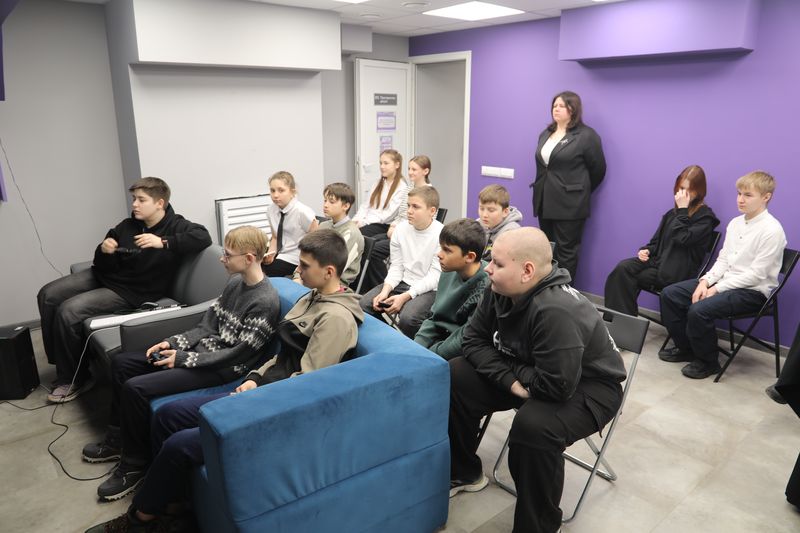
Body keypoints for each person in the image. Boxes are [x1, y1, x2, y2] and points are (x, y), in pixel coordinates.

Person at [84, 229, 364, 533]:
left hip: (276, 406)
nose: (298, 268)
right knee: (167, 415)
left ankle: (142, 517)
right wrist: (255, 379)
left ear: (329, 271)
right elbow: (283, 357)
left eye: (305, 265)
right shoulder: (312, 297)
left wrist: (252, 396)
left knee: (178, 445)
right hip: (262, 389)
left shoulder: (335, 319)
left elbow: (304, 386)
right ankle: (171, 502)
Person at [83, 226, 281, 501]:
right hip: (201, 355)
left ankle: (134, 465)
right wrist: (173, 343)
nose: (222, 258)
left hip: (220, 370)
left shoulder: (265, 302)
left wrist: (184, 359)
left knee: (136, 388)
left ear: (248, 258)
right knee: (122, 363)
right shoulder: (235, 283)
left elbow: (237, 355)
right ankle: (118, 439)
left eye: (227, 255)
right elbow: (206, 325)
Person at [448, 227, 625, 533]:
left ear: (527, 271)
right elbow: (473, 341)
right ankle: (465, 472)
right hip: (533, 370)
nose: (488, 269)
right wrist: (511, 381)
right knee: (456, 373)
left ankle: (540, 526)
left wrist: (510, 370)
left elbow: (555, 387)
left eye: (498, 264)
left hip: (589, 386)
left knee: (534, 427)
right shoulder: (498, 289)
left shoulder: (556, 310)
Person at [36, 177, 212, 404]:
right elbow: (101, 263)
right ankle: (63, 363)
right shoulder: (128, 225)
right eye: (134, 199)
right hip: (105, 275)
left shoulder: (177, 225)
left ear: (160, 203)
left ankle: (73, 379)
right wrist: (104, 250)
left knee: (69, 311)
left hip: (133, 290)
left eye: (141, 200)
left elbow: (203, 236)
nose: (134, 204)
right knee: (48, 295)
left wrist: (163, 242)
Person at [659, 171, 786, 379]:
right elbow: (724, 260)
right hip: (725, 282)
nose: (740, 199)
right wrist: (705, 282)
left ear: (766, 197)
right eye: (739, 193)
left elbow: (756, 275)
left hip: (752, 292)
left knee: (699, 309)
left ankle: (708, 362)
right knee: (670, 294)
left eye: (748, 195)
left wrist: (716, 289)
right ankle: (687, 348)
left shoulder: (772, 230)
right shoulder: (735, 223)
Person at [604, 165, 720, 316]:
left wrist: (682, 210)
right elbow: (655, 242)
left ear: (699, 191)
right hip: (658, 263)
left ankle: (624, 321)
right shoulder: (672, 214)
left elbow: (682, 238)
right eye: (681, 188)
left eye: (689, 189)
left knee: (628, 277)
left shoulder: (705, 218)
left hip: (676, 271)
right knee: (622, 268)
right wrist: (646, 250)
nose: (683, 194)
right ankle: (618, 321)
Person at [532, 90, 606, 282]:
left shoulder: (586, 135)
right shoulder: (546, 133)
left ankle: (564, 291)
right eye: (554, 105)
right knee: (546, 249)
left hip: (570, 204)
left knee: (566, 252)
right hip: (544, 200)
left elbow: (598, 170)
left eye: (562, 106)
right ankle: (546, 288)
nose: (556, 109)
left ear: (573, 109)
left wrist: (578, 190)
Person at [360, 186, 443, 338]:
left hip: (430, 289)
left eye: (415, 207)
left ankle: (414, 346)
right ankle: (390, 339)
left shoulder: (441, 235)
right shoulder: (400, 230)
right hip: (403, 282)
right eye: (408, 205)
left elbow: (434, 277)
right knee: (365, 305)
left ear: (432, 211)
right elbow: (396, 267)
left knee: (408, 318)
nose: (409, 211)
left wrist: (406, 296)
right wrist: (385, 291)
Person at [414, 218, 488, 360]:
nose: (439, 254)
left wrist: (429, 355)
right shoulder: (449, 271)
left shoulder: (486, 287)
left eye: (447, 250)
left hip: (464, 350)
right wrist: (416, 348)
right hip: (442, 341)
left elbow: (465, 337)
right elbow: (434, 317)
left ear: (469, 257)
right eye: (441, 248)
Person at [352, 149, 408, 292]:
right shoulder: (378, 183)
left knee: (360, 240)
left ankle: (369, 286)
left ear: (397, 165)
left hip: (383, 225)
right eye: (380, 163)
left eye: (386, 163)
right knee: (353, 238)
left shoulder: (402, 187)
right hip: (369, 222)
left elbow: (387, 215)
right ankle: (359, 285)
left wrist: (363, 223)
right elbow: (366, 205)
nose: (382, 166)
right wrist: (356, 220)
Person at [293, 182, 364, 286]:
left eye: (331, 202)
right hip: (312, 277)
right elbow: (308, 255)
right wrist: (297, 276)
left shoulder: (351, 234)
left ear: (346, 206)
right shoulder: (324, 225)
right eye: (325, 201)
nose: (325, 205)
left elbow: (335, 268)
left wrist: (303, 281)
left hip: (333, 285)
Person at [262, 171, 319, 277]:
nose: (275, 195)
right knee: (254, 263)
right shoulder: (270, 210)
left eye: (281, 190)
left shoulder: (302, 212)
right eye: (272, 190)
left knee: (269, 271)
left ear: (292, 192)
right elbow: (275, 237)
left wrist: (303, 264)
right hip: (280, 252)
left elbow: (316, 241)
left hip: (296, 256)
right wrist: (271, 253)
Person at [477, 184, 523, 261]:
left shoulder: (511, 232)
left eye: (491, 210)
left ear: (505, 212)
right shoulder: (478, 224)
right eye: (481, 208)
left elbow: (505, 264)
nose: (484, 215)